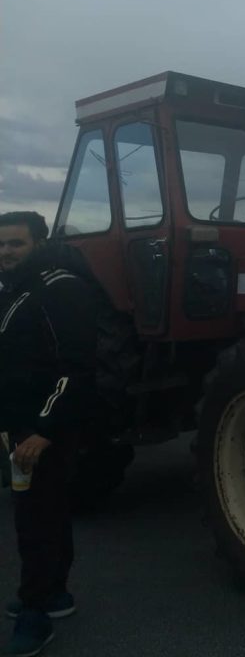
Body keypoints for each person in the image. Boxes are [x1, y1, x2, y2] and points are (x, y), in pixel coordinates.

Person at [0, 211, 100, 656]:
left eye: (16, 244)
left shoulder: (61, 290)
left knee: (34, 520)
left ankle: (35, 613)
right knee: (49, 510)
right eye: (1, 244)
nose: (6, 252)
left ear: (38, 244)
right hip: (21, 425)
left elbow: (76, 368)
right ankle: (55, 594)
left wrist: (42, 430)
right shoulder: (20, 288)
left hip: (41, 428)